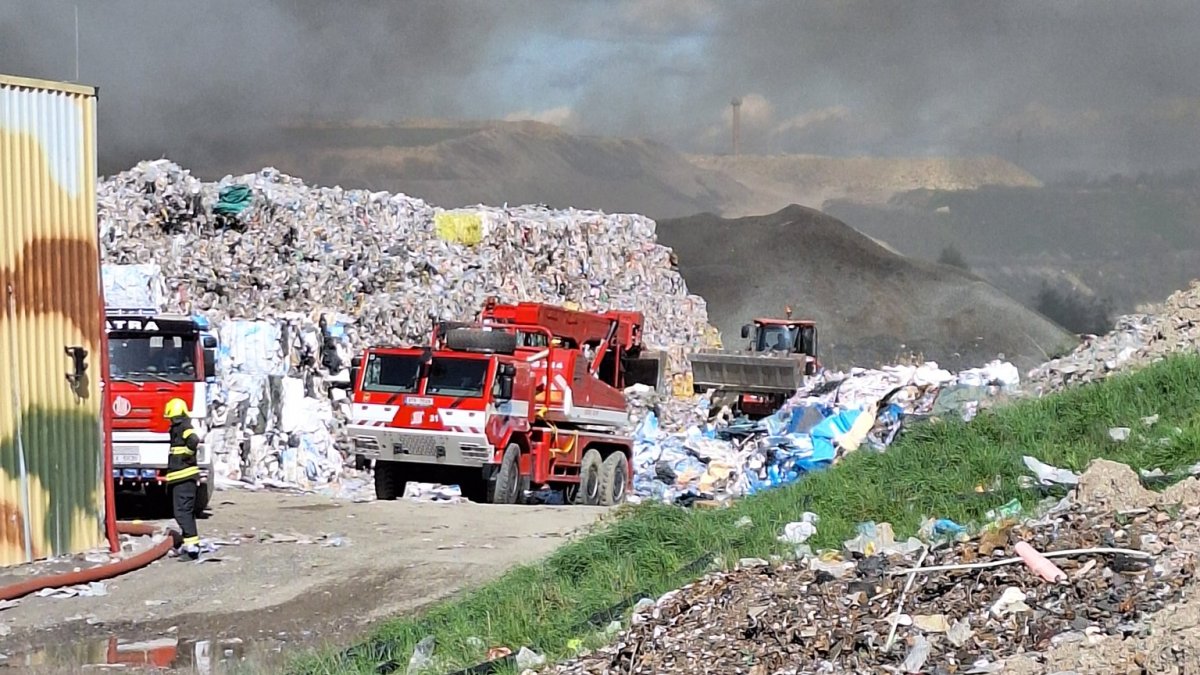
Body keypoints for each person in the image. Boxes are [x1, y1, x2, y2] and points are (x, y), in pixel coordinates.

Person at [163, 398, 201, 560]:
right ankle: (189, 544)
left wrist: (187, 454)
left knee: (182, 513)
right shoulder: (179, 427)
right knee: (184, 512)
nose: (170, 421)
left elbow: (194, 440)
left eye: (172, 417)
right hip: (181, 477)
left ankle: (192, 549)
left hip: (184, 477)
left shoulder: (184, 427)